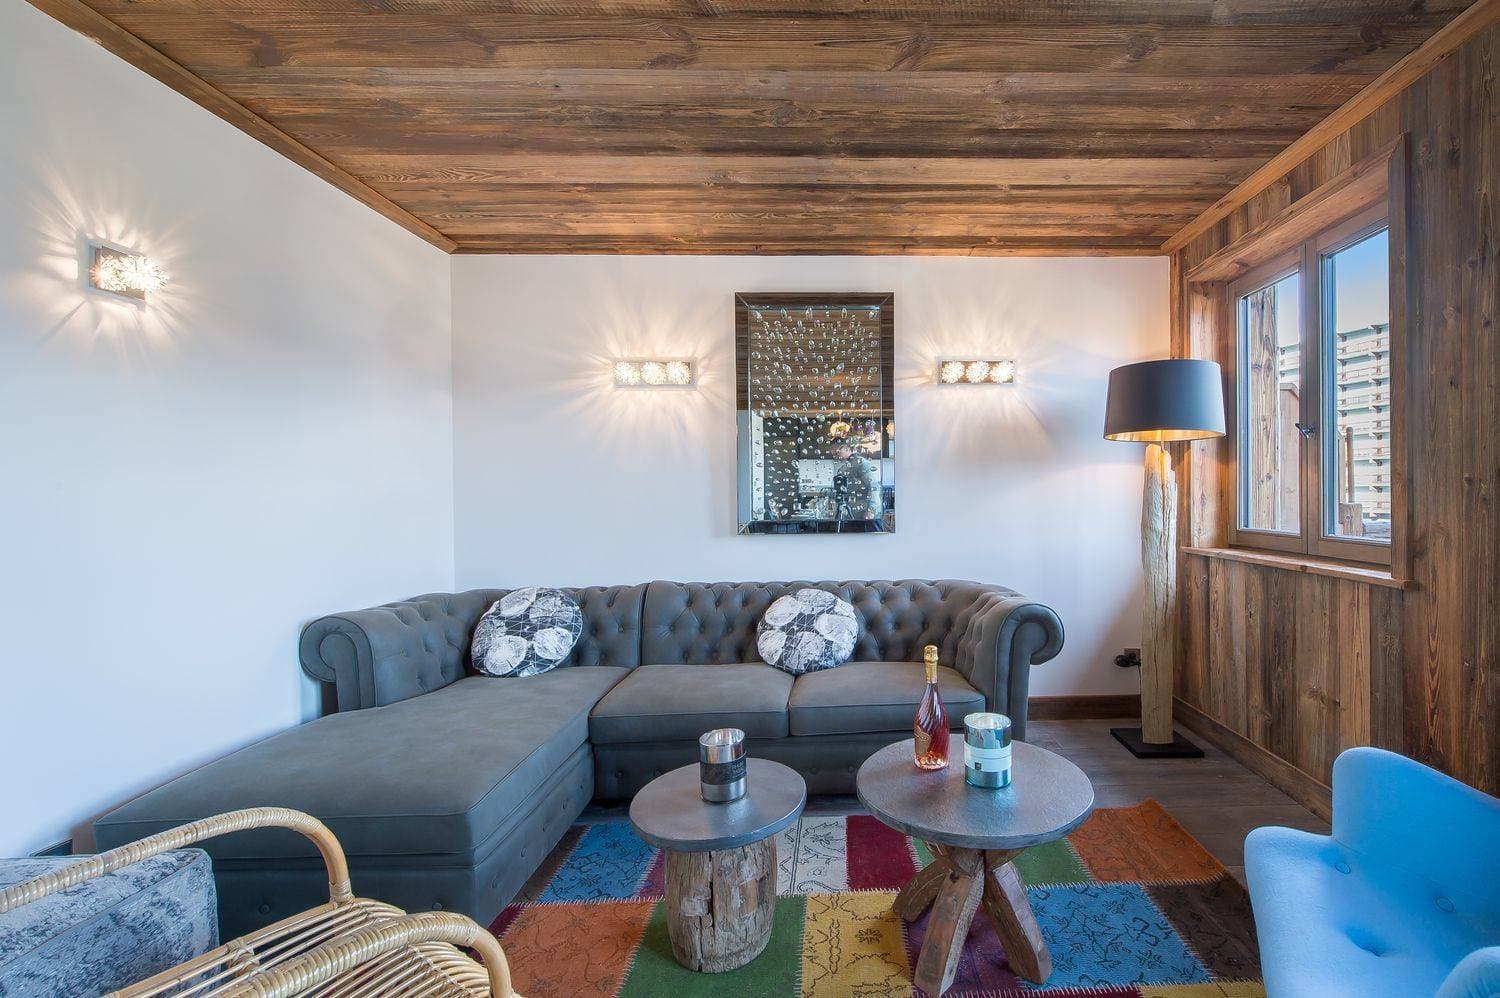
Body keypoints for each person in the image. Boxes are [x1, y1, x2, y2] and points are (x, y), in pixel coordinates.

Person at [830, 439, 881, 521]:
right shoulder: (843, 468)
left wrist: (871, 510)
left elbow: (874, 487)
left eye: (837, 453)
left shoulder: (861, 463)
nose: (835, 456)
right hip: (854, 514)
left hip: (866, 514)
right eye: (833, 455)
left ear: (846, 448)